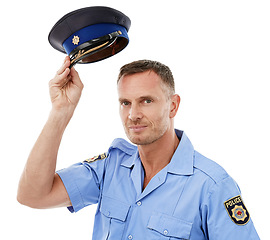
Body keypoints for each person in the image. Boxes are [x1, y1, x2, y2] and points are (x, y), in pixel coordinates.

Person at [17, 57, 260, 239]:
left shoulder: (212, 186)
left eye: (146, 101)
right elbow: (32, 195)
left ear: (173, 106)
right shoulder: (110, 168)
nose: (133, 115)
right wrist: (61, 111)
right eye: (125, 102)